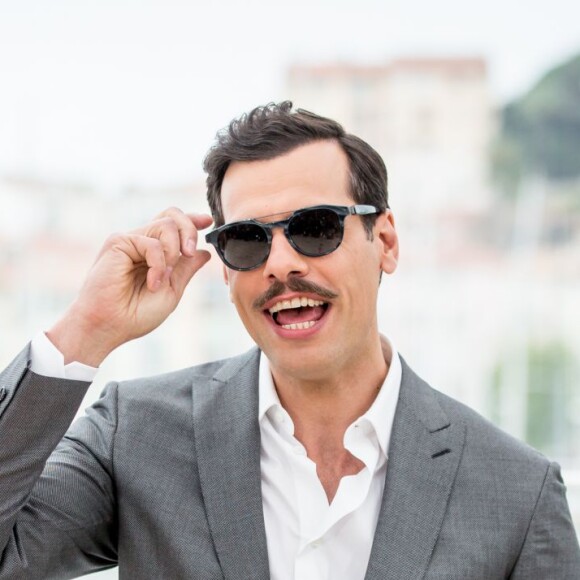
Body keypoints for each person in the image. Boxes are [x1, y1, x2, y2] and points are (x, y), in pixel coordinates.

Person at [0, 102, 578, 580]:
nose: (280, 264)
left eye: (315, 228)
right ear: (224, 269)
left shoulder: (516, 494)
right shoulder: (134, 434)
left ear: (387, 242)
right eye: (248, 241)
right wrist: (85, 331)